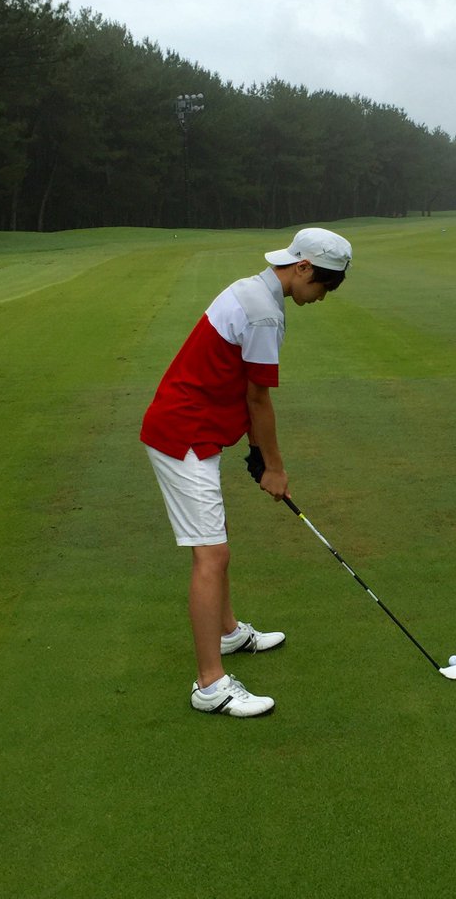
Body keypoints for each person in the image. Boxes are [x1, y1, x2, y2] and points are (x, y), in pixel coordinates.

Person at [140, 227, 353, 717]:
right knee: (211, 554)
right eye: (324, 285)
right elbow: (259, 399)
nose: (322, 296)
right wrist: (274, 468)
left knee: (216, 543)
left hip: (198, 427)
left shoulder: (253, 290)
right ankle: (209, 685)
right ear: (302, 269)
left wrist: (256, 455)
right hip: (184, 435)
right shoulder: (262, 312)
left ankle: (228, 632)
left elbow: (240, 385)